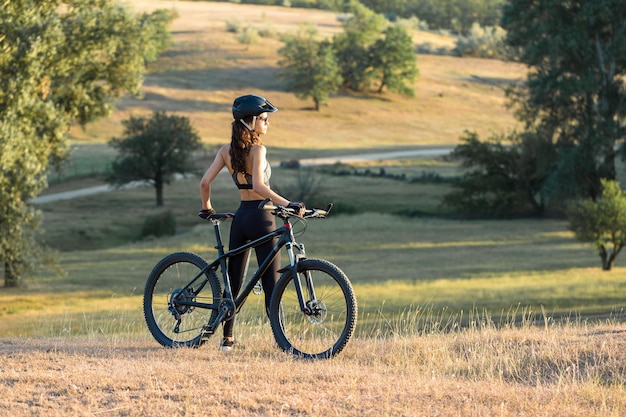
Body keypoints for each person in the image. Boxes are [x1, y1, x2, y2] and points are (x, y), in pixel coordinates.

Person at [199, 94, 305, 351]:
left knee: (233, 282)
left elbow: (204, 183)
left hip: (241, 218)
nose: (268, 124)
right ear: (253, 121)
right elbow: (259, 185)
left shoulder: (226, 151)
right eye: (265, 120)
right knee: (272, 284)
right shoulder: (258, 150)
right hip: (261, 217)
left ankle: (227, 340)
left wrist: (207, 208)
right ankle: (283, 344)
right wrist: (288, 203)